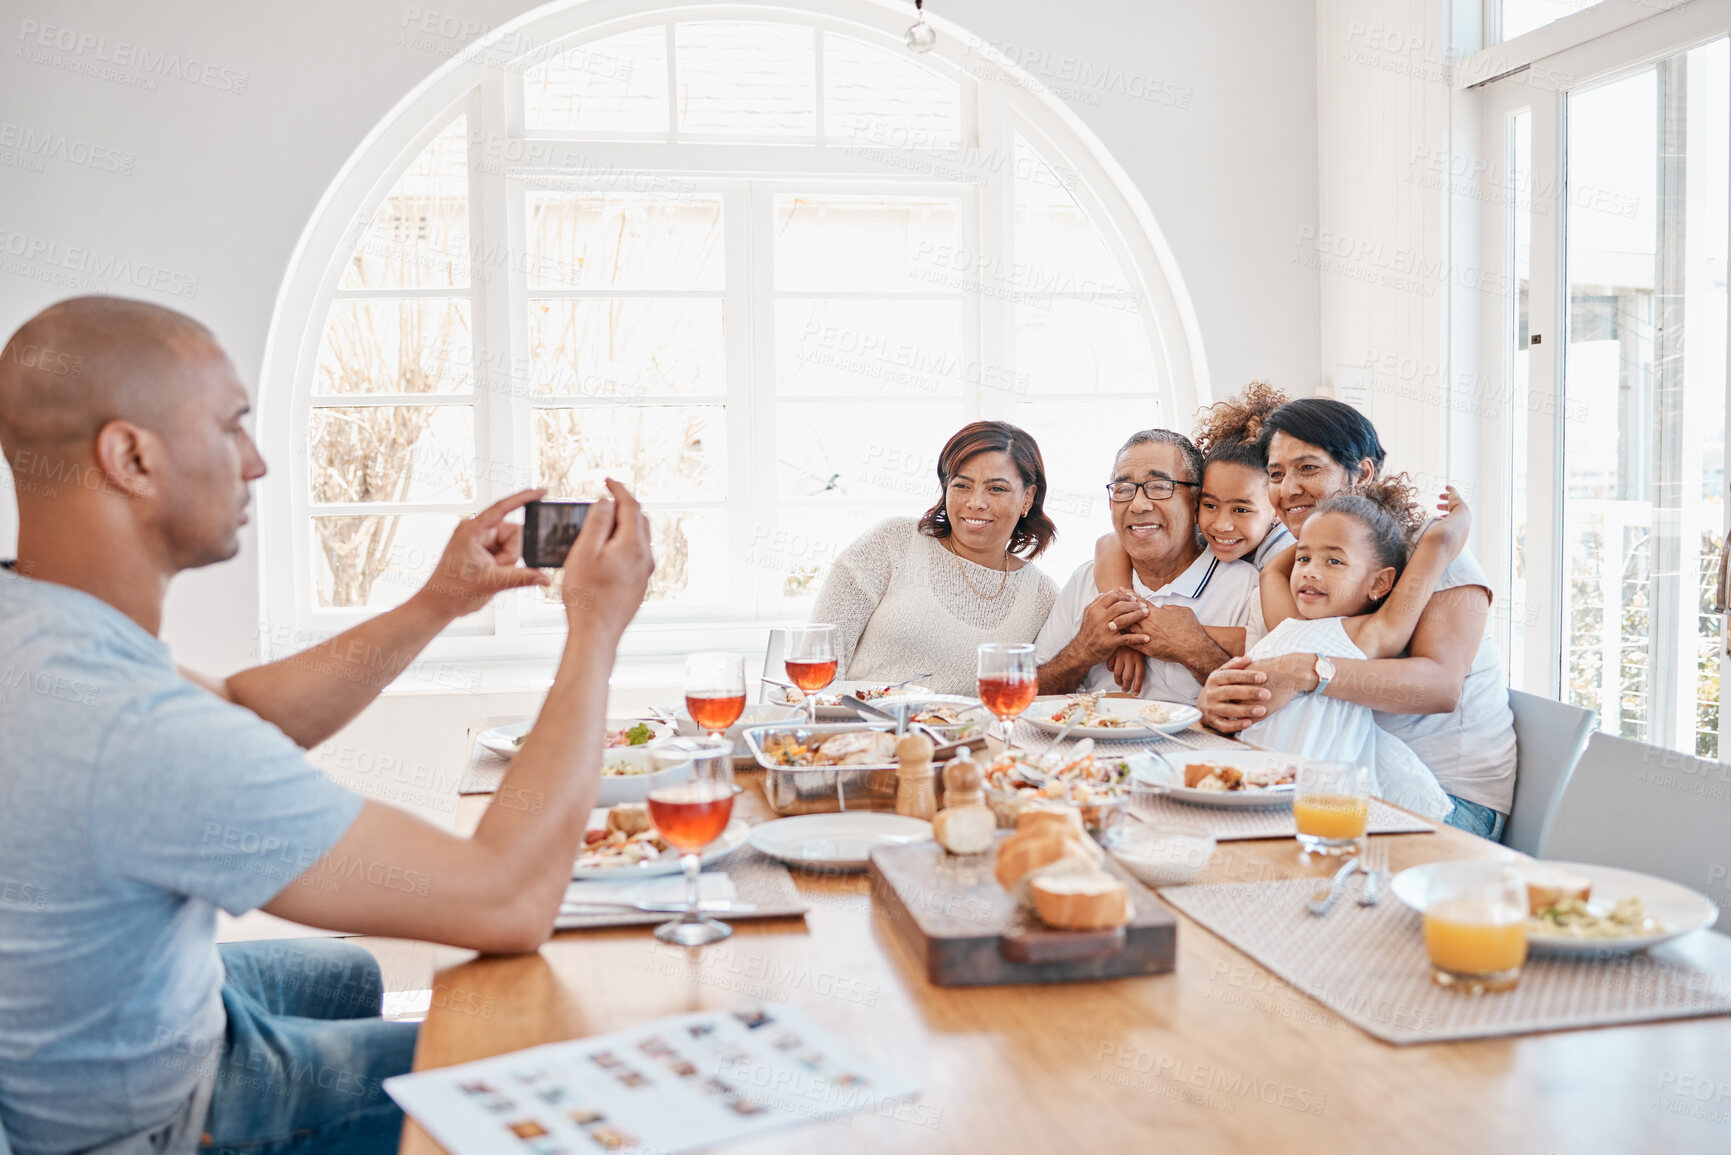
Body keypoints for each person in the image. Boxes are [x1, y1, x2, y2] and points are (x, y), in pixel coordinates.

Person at [0, 298, 655, 1155]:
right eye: (232, 427)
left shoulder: (38, 623)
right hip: (161, 1121)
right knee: (532, 1063)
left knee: (350, 971)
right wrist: (595, 630)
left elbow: (239, 710)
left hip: (122, 1028)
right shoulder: (129, 730)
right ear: (130, 456)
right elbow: (507, 900)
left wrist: (437, 603)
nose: (258, 462)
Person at [1197, 397, 1518, 839]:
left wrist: (1307, 671)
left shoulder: (1430, 552)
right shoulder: (1290, 571)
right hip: (1335, 777)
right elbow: (1285, 673)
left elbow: (1440, 687)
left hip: (1443, 796)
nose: (1287, 488)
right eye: (1276, 473)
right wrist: (1224, 701)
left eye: (1308, 468)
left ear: (1363, 474)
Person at [1239, 480, 1470, 820]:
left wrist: (1461, 513)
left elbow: (1440, 542)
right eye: (1304, 557)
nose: (1311, 571)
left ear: (1379, 583)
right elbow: (1273, 570)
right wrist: (1324, 523)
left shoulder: (1369, 632)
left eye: (1334, 561)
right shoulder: (1287, 621)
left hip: (1319, 802)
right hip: (1253, 780)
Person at [808, 421, 1059, 697]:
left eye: (996, 489)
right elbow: (817, 663)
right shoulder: (893, 542)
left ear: (1027, 497)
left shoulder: (1042, 597)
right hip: (858, 731)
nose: (976, 502)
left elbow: (1046, 699)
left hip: (965, 740)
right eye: (962, 485)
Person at [1092, 383, 1293, 693]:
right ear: (1196, 501)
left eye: (1241, 509)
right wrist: (1123, 618)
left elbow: (1278, 645)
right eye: (1210, 505)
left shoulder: (1282, 557)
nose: (1222, 524)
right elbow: (1110, 542)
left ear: (1276, 507)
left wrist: (1163, 631)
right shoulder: (1203, 529)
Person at [1034, 429, 1258, 702]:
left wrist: (1194, 648)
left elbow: (1262, 707)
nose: (1138, 505)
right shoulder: (1086, 579)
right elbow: (1029, 692)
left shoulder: (1245, 586)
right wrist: (1083, 650)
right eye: (1124, 490)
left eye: (1160, 487)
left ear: (1197, 501)